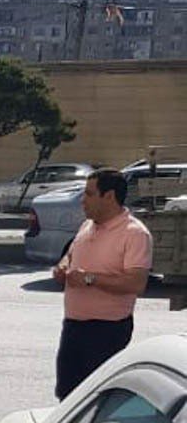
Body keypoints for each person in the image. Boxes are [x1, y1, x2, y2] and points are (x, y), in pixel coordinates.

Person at [52, 168, 152, 400]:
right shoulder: (87, 226)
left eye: (88, 194)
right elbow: (71, 254)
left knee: (95, 399)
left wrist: (89, 278)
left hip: (106, 331)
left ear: (109, 197)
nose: (82, 201)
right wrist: (63, 266)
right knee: (67, 396)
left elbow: (136, 283)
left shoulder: (135, 233)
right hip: (74, 326)